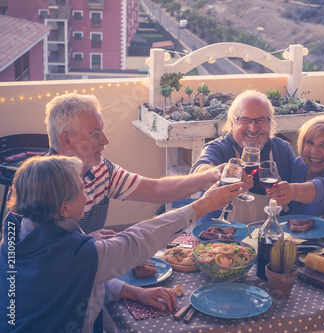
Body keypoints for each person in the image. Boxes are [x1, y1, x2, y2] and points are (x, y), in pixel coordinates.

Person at [0, 155, 243, 333]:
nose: (86, 195)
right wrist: (202, 206)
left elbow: (78, 278)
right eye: (81, 190)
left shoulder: (14, 234)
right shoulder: (76, 253)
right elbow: (136, 241)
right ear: (64, 208)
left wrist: (134, 292)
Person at [43, 93, 224, 317]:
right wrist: (202, 206)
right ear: (67, 140)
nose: (105, 140)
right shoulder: (42, 194)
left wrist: (208, 177)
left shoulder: (101, 170)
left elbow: (155, 190)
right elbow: (74, 267)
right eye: (95, 133)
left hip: (94, 287)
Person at [190, 90, 295, 223]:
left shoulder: (282, 149)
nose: (253, 128)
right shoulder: (218, 147)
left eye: (260, 120)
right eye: (245, 120)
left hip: (267, 237)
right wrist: (218, 174)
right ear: (232, 123)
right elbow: (199, 169)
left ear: (270, 123)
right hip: (218, 237)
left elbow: (300, 184)